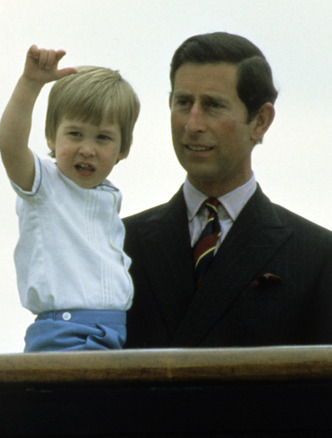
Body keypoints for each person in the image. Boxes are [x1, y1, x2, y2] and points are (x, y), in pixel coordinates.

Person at [124, 32, 332, 348]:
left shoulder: (318, 256)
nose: (192, 123)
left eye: (213, 105)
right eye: (183, 102)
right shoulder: (116, 244)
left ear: (260, 121)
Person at [0, 45, 140, 352]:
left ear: (123, 149)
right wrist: (30, 84)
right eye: (75, 134)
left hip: (113, 331)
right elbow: (10, 145)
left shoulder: (109, 195)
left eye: (102, 138)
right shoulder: (44, 184)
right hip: (64, 331)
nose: (87, 149)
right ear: (52, 136)